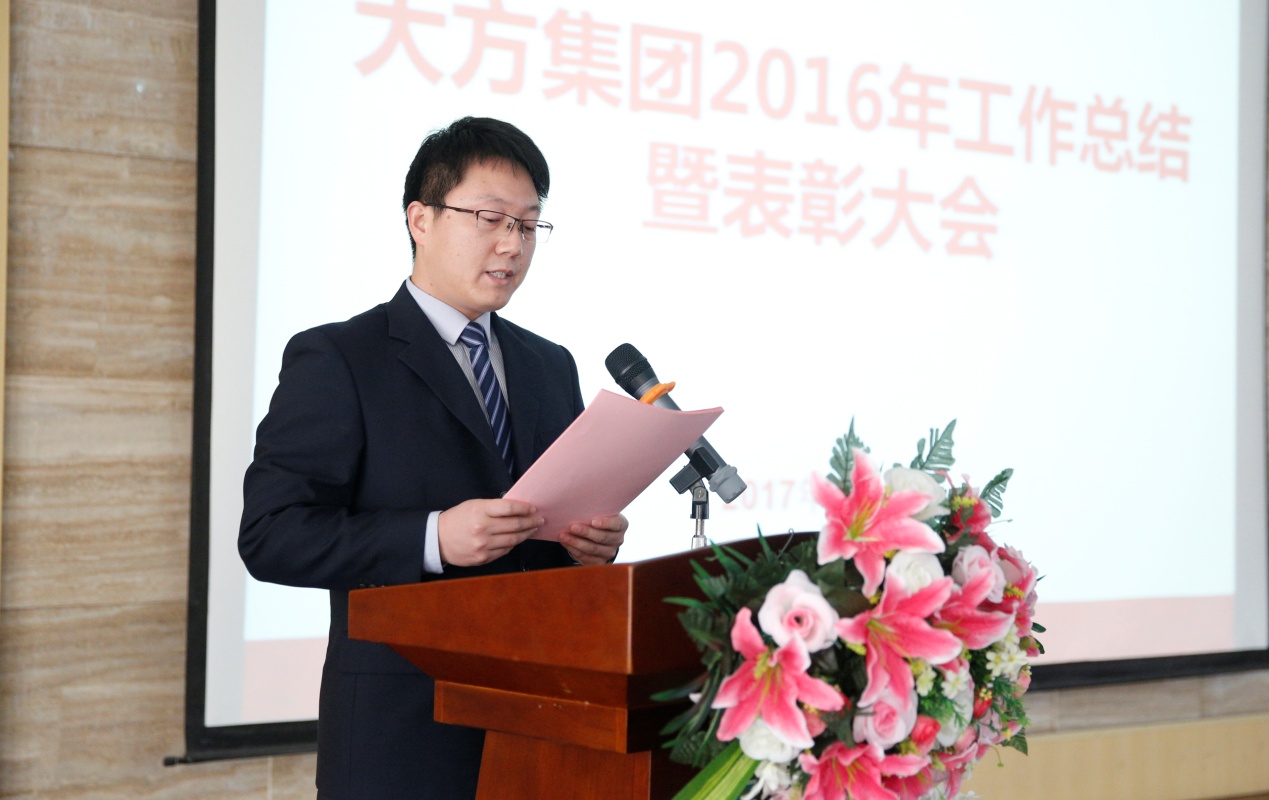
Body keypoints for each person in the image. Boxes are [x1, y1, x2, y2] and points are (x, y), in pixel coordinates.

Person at [239, 116, 627, 799]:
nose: (511, 244)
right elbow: (272, 536)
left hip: (543, 724)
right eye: (490, 219)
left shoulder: (548, 364)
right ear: (420, 219)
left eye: (528, 225)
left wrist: (586, 548)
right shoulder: (338, 358)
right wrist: (432, 538)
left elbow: (548, 535)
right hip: (403, 735)